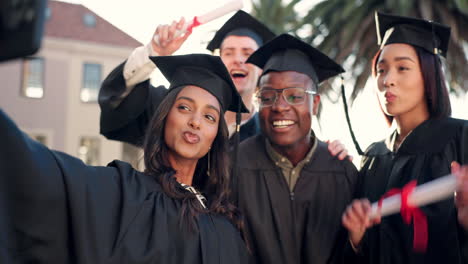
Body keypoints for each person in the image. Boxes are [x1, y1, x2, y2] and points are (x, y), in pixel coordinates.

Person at [0, 54, 250, 263]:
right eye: (184, 107)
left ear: (214, 139)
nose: (195, 121)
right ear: (164, 118)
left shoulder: (225, 226)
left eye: (209, 117)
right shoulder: (122, 192)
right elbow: (39, 173)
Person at [341, 12, 468, 264]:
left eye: (403, 68)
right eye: (381, 70)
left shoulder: (460, 139)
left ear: (428, 74)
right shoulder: (373, 157)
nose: (388, 80)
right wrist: (356, 238)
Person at [232, 33, 359, 264]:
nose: (280, 106)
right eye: (268, 97)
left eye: (295, 96)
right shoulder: (233, 166)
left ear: (315, 104)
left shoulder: (343, 173)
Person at [99, 11, 275, 147]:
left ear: (261, 68)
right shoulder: (174, 111)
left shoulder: (270, 135)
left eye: (248, 53)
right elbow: (119, 103)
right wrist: (154, 53)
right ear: (219, 61)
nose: (238, 59)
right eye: (229, 53)